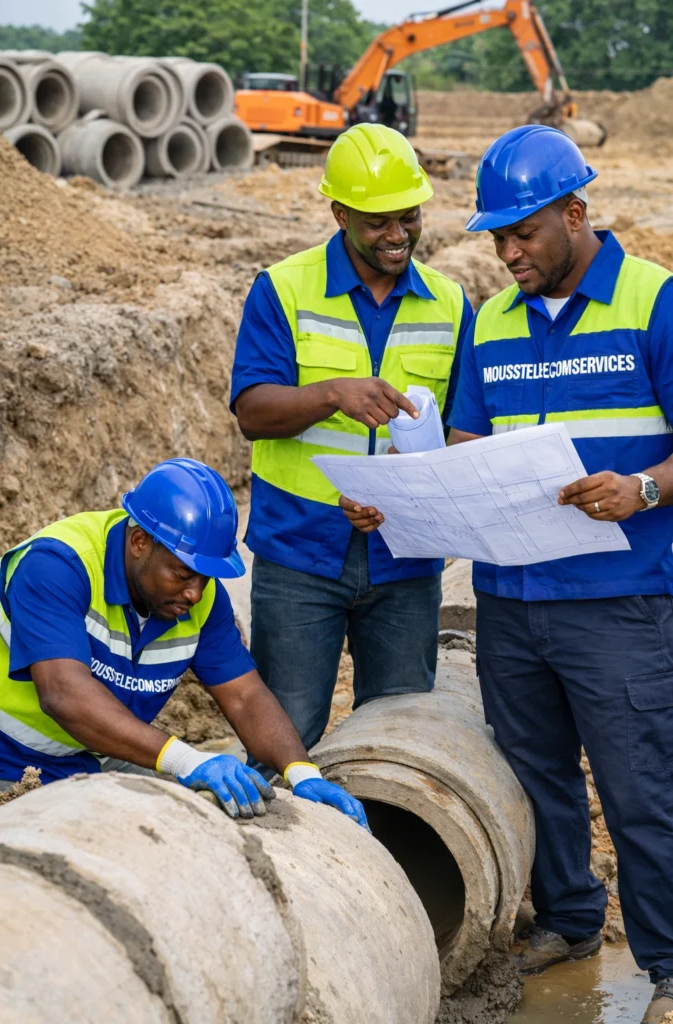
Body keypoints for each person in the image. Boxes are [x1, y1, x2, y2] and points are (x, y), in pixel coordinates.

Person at [430, 125, 673, 1024]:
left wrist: (642, 486)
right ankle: (569, 918)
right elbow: (465, 437)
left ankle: (668, 965)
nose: (506, 253)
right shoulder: (489, 319)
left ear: (576, 212)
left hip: (618, 604)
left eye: (522, 233)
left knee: (639, 789)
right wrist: (430, 481)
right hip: (510, 597)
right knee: (537, 778)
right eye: (495, 237)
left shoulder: (653, 301)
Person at [230, 123, 472, 762]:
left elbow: (465, 424)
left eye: (409, 217)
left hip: (407, 556)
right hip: (300, 554)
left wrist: (411, 476)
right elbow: (252, 411)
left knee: (398, 743)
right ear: (339, 213)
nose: (398, 235)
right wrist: (331, 394)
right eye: (378, 222)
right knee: (285, 739)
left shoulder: (450, 304)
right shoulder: (284, 288)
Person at [0, 457, 367, 829]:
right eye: (184, 574)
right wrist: (186, 760)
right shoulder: (57, 566)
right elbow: (63, 694)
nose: (194, 593)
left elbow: (245, 695)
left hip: (93, 755)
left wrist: (300, 772)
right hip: (5, 762)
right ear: (139, 541)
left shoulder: (199, 598)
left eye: (204, 578)